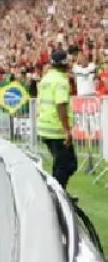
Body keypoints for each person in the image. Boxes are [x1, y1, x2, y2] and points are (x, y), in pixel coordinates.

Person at [37, 49, 77, 190]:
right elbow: (60, 105)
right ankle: (55, 195)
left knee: (63, 163)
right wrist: (67, 130)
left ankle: (58, 193)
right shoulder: (60, 81)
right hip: (56, 129)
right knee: (67, 164)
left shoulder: (46, 78)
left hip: (45, 128)